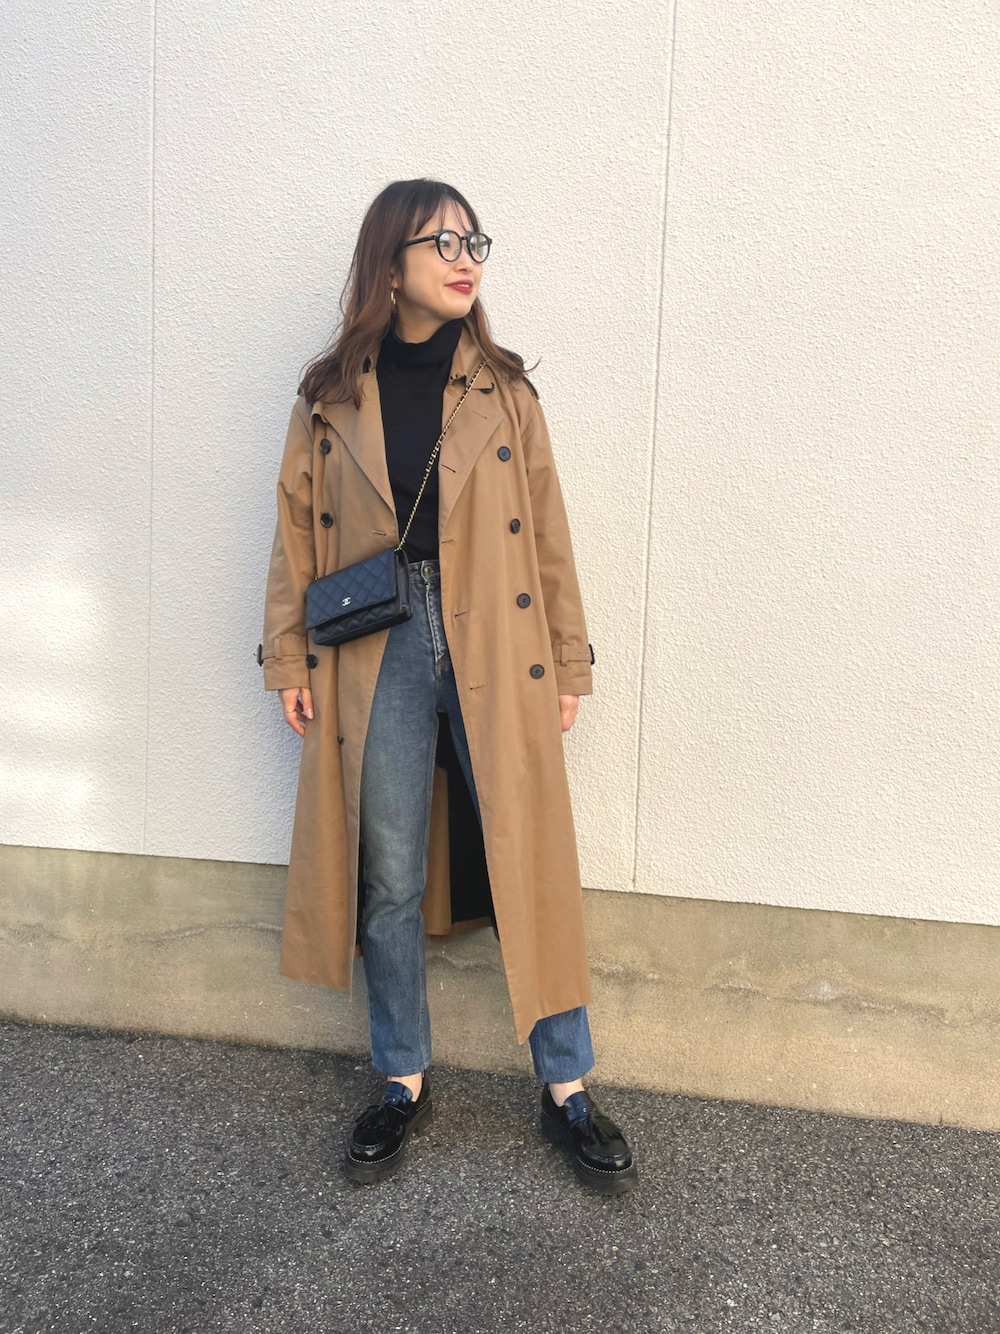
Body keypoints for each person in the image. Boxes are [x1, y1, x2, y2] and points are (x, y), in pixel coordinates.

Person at [260, 178, 637, 1195]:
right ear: (390, 266)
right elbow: (295, 536)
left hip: (493, 641)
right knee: (387, 871)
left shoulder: (505, 391)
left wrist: (567, 658)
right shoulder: (331, 395)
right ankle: (402, 1075)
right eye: (444, 242)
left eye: (476, 242)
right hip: (375, 643)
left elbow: (547, 534)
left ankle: (566, 1087)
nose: (467, 259)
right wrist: (287, 656)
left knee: (527, 861)